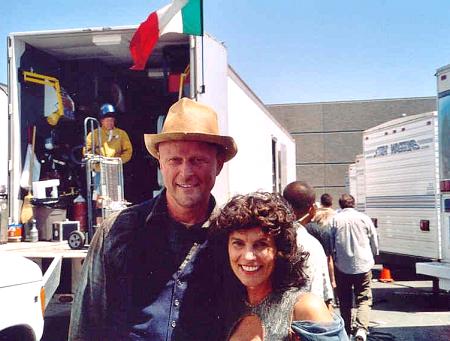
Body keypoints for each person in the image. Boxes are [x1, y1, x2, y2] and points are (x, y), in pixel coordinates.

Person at [69, 97, 238, 340]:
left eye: (198, 160)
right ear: (161, 164)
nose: (186, 172)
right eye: (175, 160)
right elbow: (86, 325)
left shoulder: (234, 236)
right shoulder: (115, 231)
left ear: (218, 165)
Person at [210, 192, 348, 341]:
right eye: (238, 243)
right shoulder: (226, 306)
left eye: (261, 244)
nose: (248, 256)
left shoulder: (305, 308)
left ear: (279, 251)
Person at [331, 193, 379, 341]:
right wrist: (374, 254)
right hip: (363, 264)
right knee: (364, 298)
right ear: (354, 204)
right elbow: (374, 239)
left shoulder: (334, 219)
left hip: (342, 266)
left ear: (340, 205)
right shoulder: (364, 218)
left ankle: (346, 329)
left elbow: (331, 243)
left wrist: (334, 258)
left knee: (344, 299)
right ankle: (361, 329)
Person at [283, 181, 335, 310]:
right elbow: (322, 295)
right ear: (312, 209)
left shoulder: (269, 238)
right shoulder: (312, 245)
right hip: (305, 319)